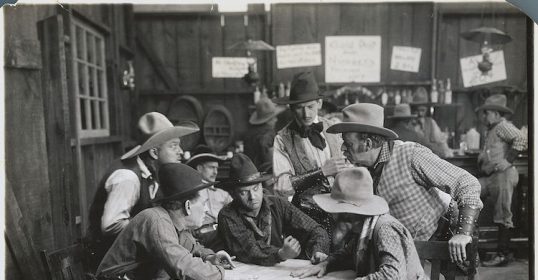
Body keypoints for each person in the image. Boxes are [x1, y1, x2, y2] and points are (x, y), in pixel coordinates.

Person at [326, 103, 483, 266]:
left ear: (368, 143)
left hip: (448, 234)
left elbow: (468, 182)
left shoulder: (410, 155)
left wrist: (463, 233)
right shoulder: (361, 172)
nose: (343, 148)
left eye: (348, 143)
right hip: (411, 247)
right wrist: (332, 261)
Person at [87, 112, 199, 267]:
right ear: (154, 152)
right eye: (173, 145)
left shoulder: (152, 172)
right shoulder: (127, 177)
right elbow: (110, 226)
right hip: (111, 265)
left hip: (135, 260)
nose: (181, 151)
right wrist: (153, 228)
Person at [95, 163, 235, 280]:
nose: (206, 209)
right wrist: (221, 273)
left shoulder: (175, 223)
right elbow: (182, 266)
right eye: (203, 203)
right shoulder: (157, 220)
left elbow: (192, 248)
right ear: (187, 207)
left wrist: (210, 257)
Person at [291, 167, 426, 280]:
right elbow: (348, 254)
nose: (332, 215)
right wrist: (326, 263)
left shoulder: (385, 228)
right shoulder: (361, 228)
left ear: (348, 214)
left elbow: (392, 276)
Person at [272, 71, 347, 243]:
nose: (306, 113)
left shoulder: (334, 129)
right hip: (306, 219)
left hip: (341, 215)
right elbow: (281, 186)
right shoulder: (282, 139)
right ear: (291, 107)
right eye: (299, 107)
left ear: (319, 103)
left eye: (310, 106)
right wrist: (320, 172)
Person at [217, 153, 330, 266]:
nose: (253, 196)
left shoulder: (278, 204)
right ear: (234, 194)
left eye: (256, 188)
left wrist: (319, 251)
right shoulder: (227, 215)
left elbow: (316, 230)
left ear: (262, 186)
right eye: (244, 192)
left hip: (275, 270)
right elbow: (249, 250)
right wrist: (281, 254)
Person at [476, 94, 527, 267]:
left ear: (497, 114)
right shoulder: (491, 129)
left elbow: (521, 138)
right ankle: (473, 250)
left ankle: (503, 254)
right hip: (492, 176)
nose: (484, 116)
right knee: (472, 195)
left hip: (503, 175)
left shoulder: (503, 126)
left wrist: (508, 160)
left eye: (487, 113)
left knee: (503, 213)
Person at [186, 144, 232, 250]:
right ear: (199, 168)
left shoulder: (223, 194)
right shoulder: (192, 192)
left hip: (222, 235)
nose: (215, 172)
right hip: (199, 237)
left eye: (217, 168)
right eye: (212, 168)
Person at [244, 97, 286, 173]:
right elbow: (272, 164)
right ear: (267, 120)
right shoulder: (269, 135)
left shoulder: (249, 133)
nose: (276, 120)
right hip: (265, 177)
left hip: (251, 174)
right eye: (273, 118)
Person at [410, 89, 452, 158]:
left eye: (422, 110)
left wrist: (446, 152)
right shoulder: (408, 124)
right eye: (417, 110)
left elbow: (441, 141)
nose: (420, 113)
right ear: (413, 109)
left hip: (429, 160)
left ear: (426, 109)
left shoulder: (431, 122)